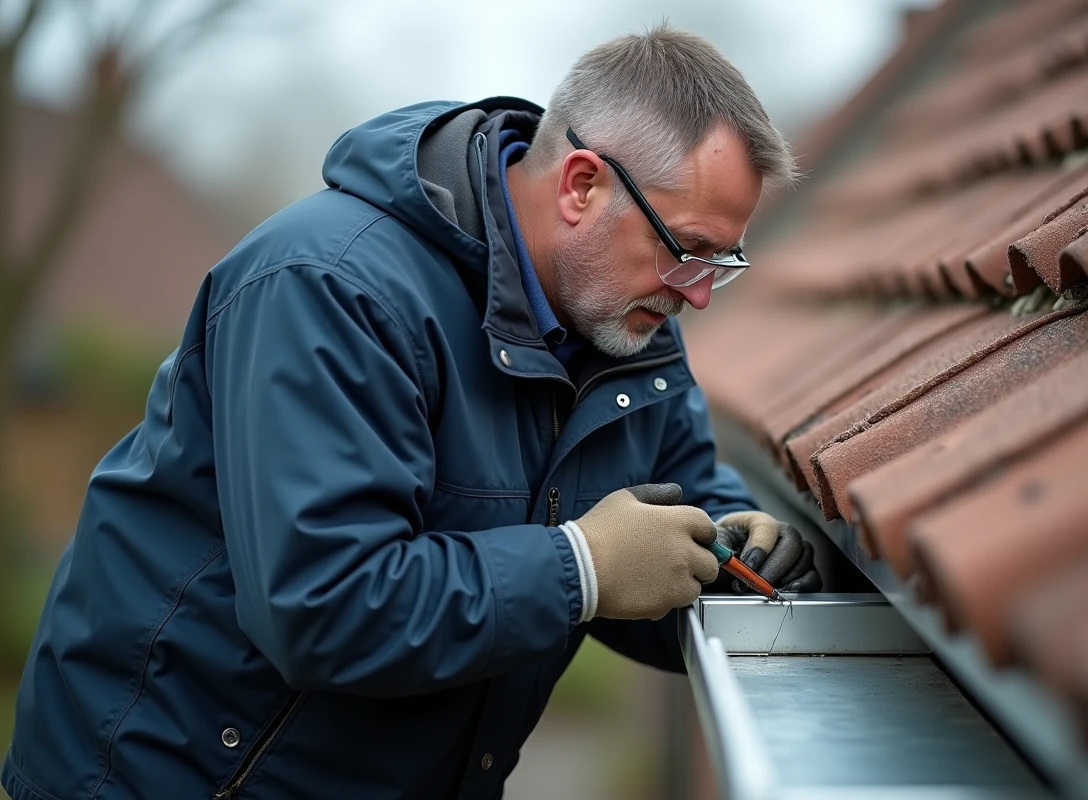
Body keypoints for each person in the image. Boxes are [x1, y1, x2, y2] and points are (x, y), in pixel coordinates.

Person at [2, 23, 820, 800]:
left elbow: (665, 532)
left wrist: (739, 547)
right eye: (687, 251)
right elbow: (325, 607)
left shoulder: (629, 332)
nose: (701, 297)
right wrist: (581, 569)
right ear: (582, 186)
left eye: (725, 261)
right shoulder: (330, 288)